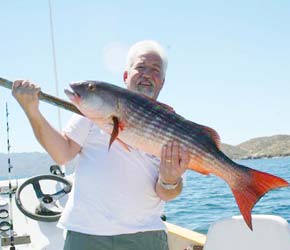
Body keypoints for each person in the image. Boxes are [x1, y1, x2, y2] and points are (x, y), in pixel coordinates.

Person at [12, 40, 189, 250]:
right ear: (126, 76)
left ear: (162, 82)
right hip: (86, 236)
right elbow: (62, 154)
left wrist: (170, 180)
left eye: (155, 70)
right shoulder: (89, 112)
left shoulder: (175, 128)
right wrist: (32, 110)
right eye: (140, 67)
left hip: (145, 238)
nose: (147, 74)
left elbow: (167, 193)